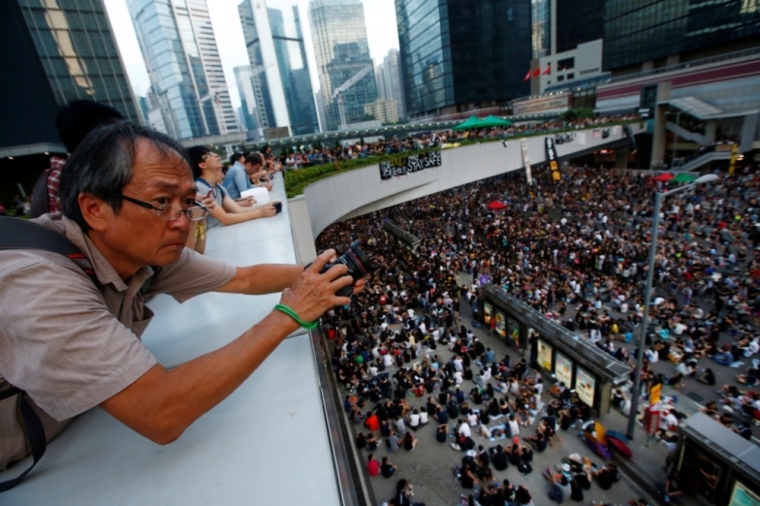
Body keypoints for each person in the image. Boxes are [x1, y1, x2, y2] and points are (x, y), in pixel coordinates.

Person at [0, 122, 365, 471]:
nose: (181, 221)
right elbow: (161, 413)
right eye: (161, 201)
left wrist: (324, 274)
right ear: (95, 209)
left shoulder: (147, 254)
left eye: (187, 202)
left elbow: (246, 278)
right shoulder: (38, 283)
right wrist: (290, 314)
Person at [30, 100, 125, 218]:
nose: (127, 144)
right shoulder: (68, 181)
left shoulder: (63, 176)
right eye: (119, 136)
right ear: (96, 141)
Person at [189, 146, 278, 231]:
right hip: (210, 235)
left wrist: (266, 206)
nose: (215, 155)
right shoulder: (200, 187)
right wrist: (260, 213)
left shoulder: (218, 187)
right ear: (202, 165)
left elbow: (238, 209)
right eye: (209, 155)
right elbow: (225, 219)